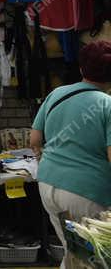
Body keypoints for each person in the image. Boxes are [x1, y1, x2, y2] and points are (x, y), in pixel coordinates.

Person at [30, 40, 111, 269]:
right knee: (97, 258)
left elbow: (34, 141)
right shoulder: (107, 105)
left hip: (47, 185)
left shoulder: (57, 94)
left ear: (82, 68)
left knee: (73, 252)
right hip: (87, 193)